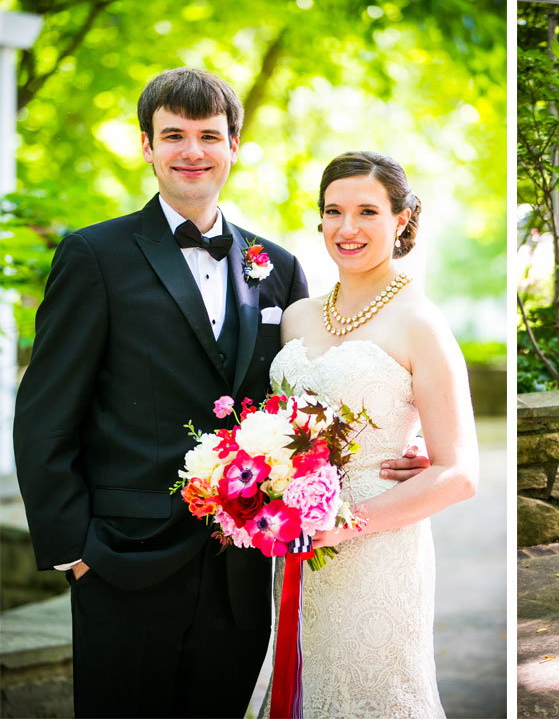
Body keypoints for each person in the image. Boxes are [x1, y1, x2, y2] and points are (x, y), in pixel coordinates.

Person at [12, 69, 423, 718]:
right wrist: (75, 553)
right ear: (146, 145)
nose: (192, 151)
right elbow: (44, 416)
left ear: (234, 143)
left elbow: (315, 387)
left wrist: (407, 440)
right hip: (123, 564)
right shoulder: (94, 256)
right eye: (173, 134)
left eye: (209, 135)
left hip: (244, 569)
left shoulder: (278, 265)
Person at [260, 151, 478, 717]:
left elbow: (459, 473)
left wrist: (341, 527)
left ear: (402, 219)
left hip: (378, 548)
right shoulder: (296, 317)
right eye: (334, 211)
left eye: (367, 212)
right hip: (293, 550)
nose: (347, 228)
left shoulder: (420, 323)